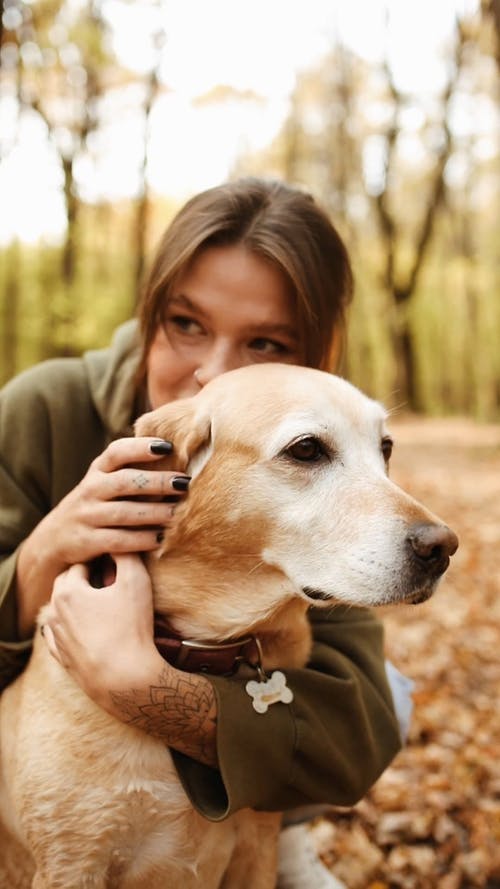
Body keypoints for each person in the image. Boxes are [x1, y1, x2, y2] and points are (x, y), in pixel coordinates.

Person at [0, 177, 403, 888]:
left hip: (219, 739)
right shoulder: (44, 409)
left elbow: (357, 731)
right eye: (186, 323)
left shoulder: (305, 446)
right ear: (149, 312)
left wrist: (140, 685)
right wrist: (39, 557)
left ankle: (278, 840)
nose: (211, 372)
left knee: (389, 690)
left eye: (267, 343)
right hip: (44, 764)